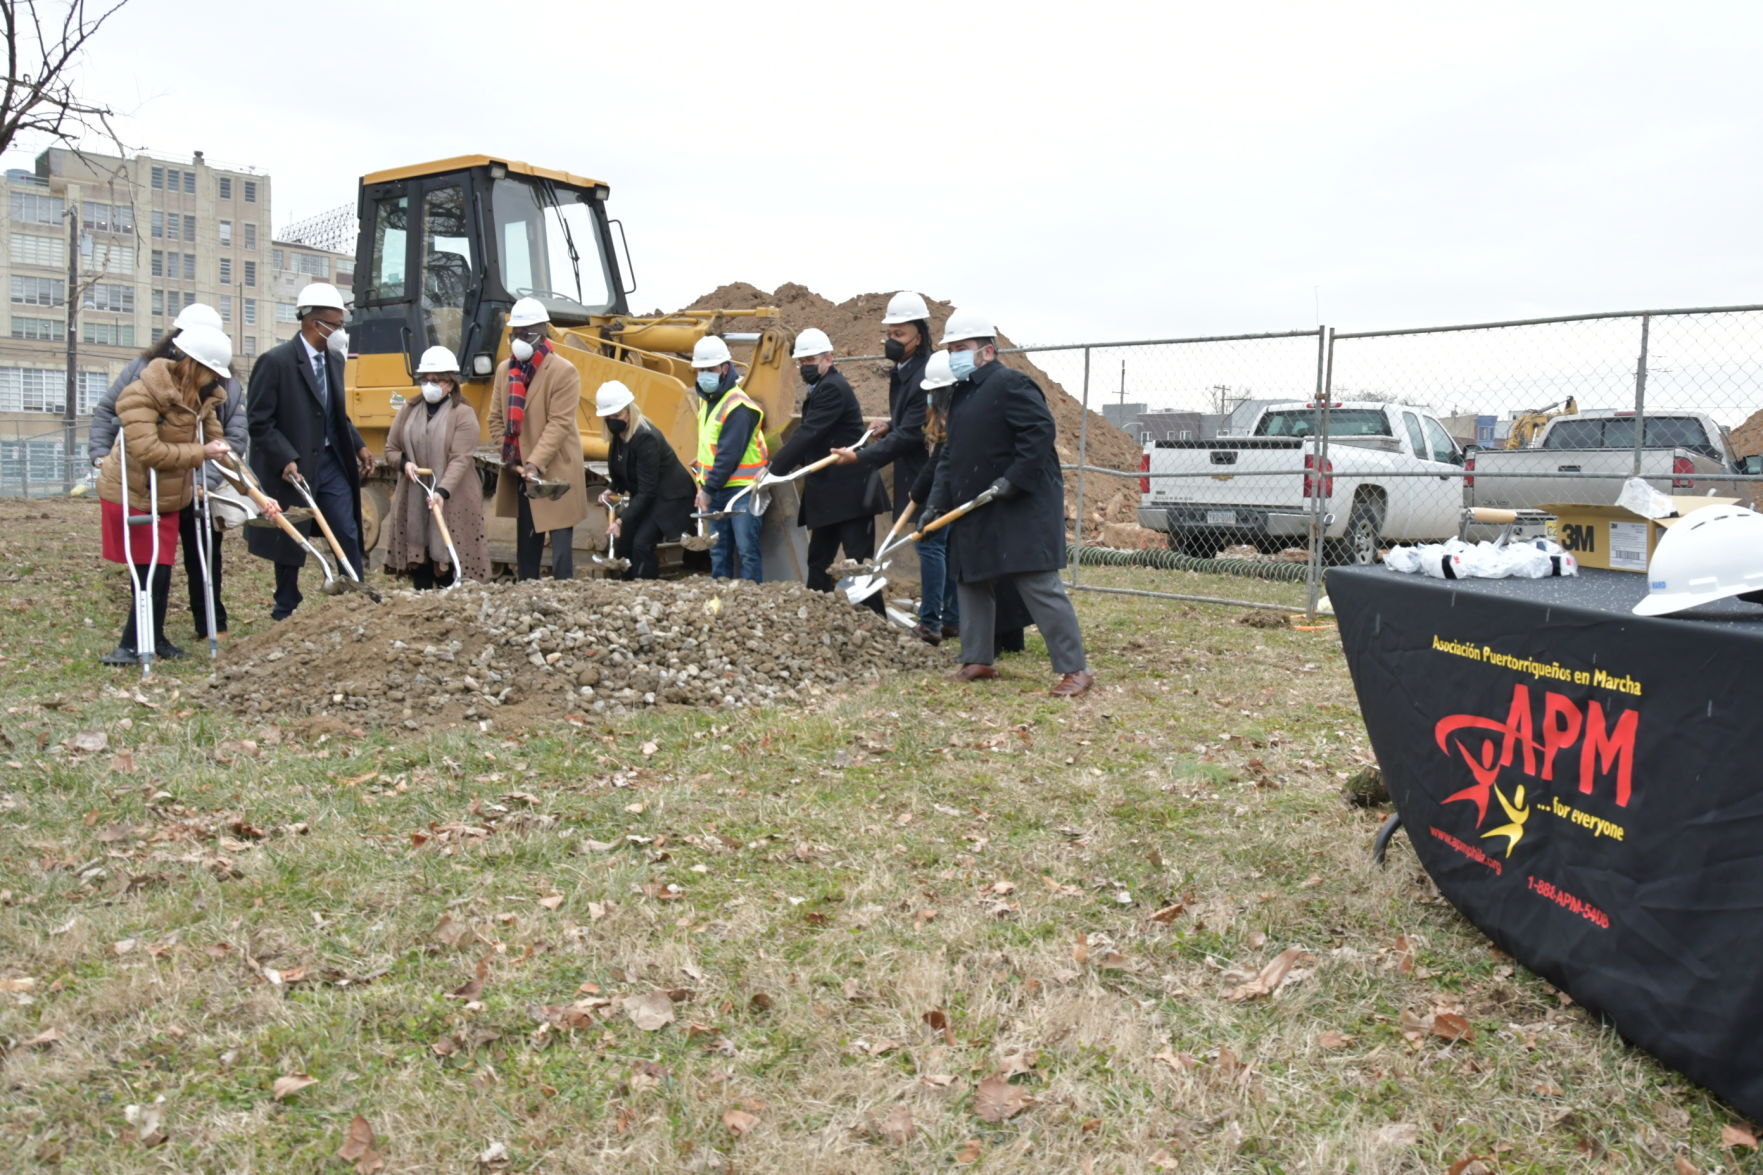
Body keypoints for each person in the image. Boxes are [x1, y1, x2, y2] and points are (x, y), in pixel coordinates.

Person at [926, 310, 1094, 697]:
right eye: (951, 349)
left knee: (1037, 581)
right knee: (972, 578)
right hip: (978, 502)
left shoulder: (1011, 383)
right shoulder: (960, 392)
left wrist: (1012, 481)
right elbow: (950, 457)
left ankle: (1076, 669)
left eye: (961, 348)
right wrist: (936, 503)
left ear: (987, 351)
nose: (954, 355)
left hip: (1019, 501)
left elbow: (1038, 434)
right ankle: (978, 659)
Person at [90, 303, 247, 642]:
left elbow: (225, 437)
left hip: (185, 488)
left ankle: (189, 630)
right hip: (143, 488)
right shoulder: (143, 384)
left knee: (185, 561)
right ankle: (141, 639)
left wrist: (215, 473)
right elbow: (139, 441)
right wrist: (99, 455)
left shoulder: (214, 391)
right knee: (150, 565)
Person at [245, 281, 374, 620]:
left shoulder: (333, 361)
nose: (341, 331)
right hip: (295, 467)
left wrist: (359, 446)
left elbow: (335, 413)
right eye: (337, 324)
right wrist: (285, 457)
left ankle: (356, 593)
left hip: (331, 462)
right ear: (314, 323)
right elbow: (259, 422)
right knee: (292, 537)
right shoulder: (276, 362)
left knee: (346, 527)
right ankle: (285, 605)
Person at [831, 290, 951, 642]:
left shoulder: (928, 369)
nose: (892, 341)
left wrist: (862, 457)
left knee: (931, 542)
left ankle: (933, 620)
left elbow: (916, 430)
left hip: (931, 466)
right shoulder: (903, 369)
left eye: (899, 334)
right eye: (890, 334)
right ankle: (949, 616)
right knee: (938, 543)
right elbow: (910, 419)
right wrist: (888, 424)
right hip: (919, 467)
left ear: (919, 334)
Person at [768, 328, 887, 612]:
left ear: (829, 358)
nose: (805, 367)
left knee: (858, 563)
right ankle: (816, 617)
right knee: (819, 559)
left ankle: (877, 622)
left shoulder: (833, 388)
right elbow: (813, 438)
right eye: (802, 362)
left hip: (850, 490)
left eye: (810, 361)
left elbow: (809, 432)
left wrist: (775, 468)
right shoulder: (820, 387)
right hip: (828, 491)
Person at [486, 297, 588, 580]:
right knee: (526, 537)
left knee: (560, 542)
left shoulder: (563, 371)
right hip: (520, 468)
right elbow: (495, 419)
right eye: (515, 334)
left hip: (555, 468)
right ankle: (527, 590)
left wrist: (534, 463)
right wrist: (511, 460)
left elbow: (559, 424)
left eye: (525, 333)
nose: (519, 340)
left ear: (542, 334)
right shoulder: (505, 371)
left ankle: (564, 590)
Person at [383, 346, 490, 588]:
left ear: (450, 383)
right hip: (415, 493)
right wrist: (404, 463)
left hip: (453, 497)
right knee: (420, 554)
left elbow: (460, 458)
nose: (430, 385)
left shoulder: (463, 414)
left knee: (449, 552)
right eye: (426, 380)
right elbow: (391, 449)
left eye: (437, 380)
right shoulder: (408, 410)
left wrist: (441, 492)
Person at [597, 379, 694, 580]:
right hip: (647, 496)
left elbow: (648, 490)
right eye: (609, 416)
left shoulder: (645, 437)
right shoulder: (618, 436)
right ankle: (626, 584)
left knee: (641, 543)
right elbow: (621, 472)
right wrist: (611, 489)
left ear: (628, 411)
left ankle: (645, 587)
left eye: (617, 415)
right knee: (625, 541)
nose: (613, 420)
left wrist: (621, 520)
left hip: (670, 498)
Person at [689, 334, 767, 582]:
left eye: (709, 369)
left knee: (746, 552)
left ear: (725, 368)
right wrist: (702, 473)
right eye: (700, 370)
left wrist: (707, 489)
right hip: (717, 487)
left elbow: (729, 454)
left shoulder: (738, 406)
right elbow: (712, 447)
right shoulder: (708, 402)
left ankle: (751, 603)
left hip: (742, 490)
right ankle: (720, 603)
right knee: (718, 552)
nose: (704, 376)